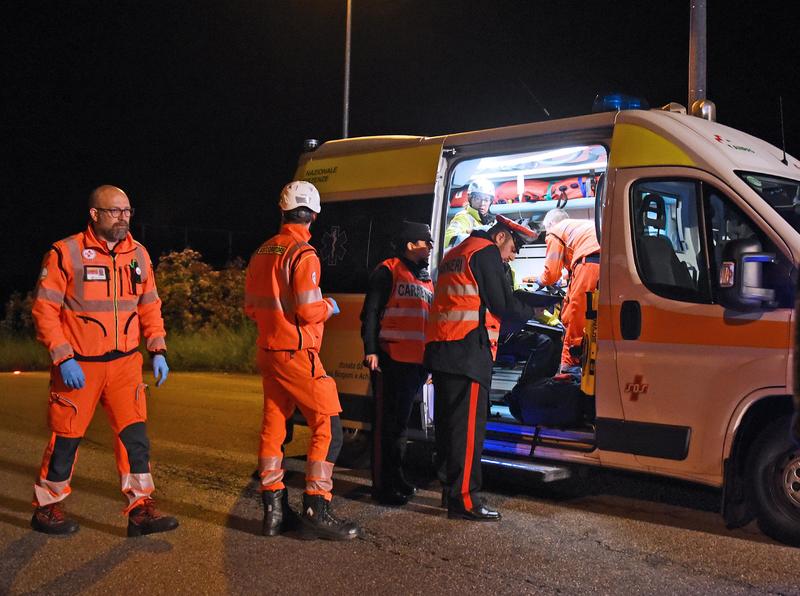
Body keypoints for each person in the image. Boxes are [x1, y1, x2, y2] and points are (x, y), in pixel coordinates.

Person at [30, 185, 178, 537]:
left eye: (127, 211)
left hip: (125, 365)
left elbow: (150, 306)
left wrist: (157, 349)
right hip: (79, 364)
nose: (123, 218)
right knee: (66, 438)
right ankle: (47, 507)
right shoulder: (66, 253)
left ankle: (140, 510)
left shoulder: (138, 255)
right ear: (94, 214)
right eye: (115, 211)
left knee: (135, 440)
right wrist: (63, 356)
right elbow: (44, 310)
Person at [245, 180, 361, 541]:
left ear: (283, 211)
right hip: (297, 353)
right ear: (312, 215)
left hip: (268, 351)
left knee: (274, 429)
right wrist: (330, 306)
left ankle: (274, 511)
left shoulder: (262, 251)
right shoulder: (303, 254)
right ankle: (317, 506)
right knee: (329, 428)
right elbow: (310, 311)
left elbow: (251, 308)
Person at [425, 215, 542, 521]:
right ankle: (464, 500)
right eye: (515, 247)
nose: (514, 255)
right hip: (468, 352)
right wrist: (536, 312)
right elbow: (502, 304)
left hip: (443, 348)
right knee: (467, 432)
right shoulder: (486, 252)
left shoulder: (457, 252)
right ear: (501, 236)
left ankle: (449, 492)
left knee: (448, 429)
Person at [360, 221, 434, 506]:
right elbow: (371, 313)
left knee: (400, 427)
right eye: (425, 243)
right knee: (386, 427)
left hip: (415, 364)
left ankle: (396, 477)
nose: (429, 247)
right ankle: (382, 487)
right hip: (390, 360)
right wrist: (371, 350)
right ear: (410, 245)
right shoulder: (388, 270)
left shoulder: (425, 278)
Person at [523, 209, 600, 373]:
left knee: (575, 315)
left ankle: (569, 367)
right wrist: (564, 278)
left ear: (550, 224)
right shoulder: (581, 228)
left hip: (589, 267)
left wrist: (539, 281)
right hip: (603, 266)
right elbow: (575, 263)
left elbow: (550, 274)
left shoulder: (555, 232)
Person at [443, 177, 496, 248]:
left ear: (490, 202)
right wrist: (476, 235)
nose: (482, 203)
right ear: (470, 199)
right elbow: (448, 239)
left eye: (486, 200)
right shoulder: (463, 217)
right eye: (477, 199)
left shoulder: (492, 222)